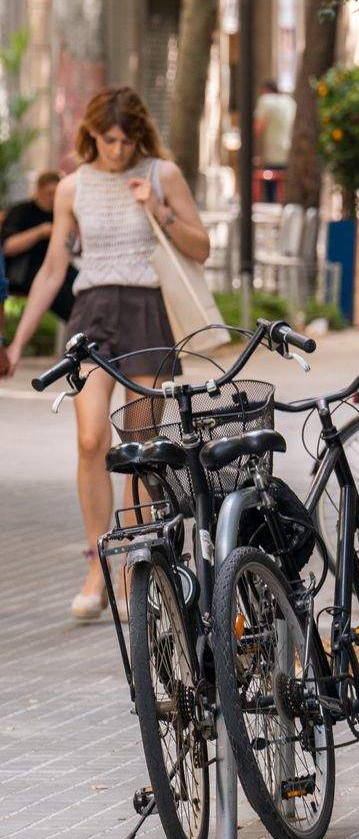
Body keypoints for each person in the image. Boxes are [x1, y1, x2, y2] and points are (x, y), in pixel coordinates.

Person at [4, 86, 211, 621]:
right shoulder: (72, 187)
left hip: (146, 312)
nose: (118, 151)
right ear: (91, 134)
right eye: (108, 139)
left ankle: (132, 566)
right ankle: (98, 561)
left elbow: (201, 246)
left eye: (126, 140)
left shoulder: (162, 174)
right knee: (91, 437)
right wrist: (18, 342)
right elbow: (54, 268)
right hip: (92, 313)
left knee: (138, 448)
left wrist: (160, 210)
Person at [3, 170, 75, 334]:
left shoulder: (60, 214)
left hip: (58, 267)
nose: (52, 198)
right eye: (49, 193)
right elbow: (8, 247)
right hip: (23, 273)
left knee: (79, 284)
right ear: (39, 189)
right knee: (60, 294)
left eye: (56, 194)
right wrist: (40, 232)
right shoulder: (22, 211)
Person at [251, 79, 295, 203]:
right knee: (284, 184)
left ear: (265, 91)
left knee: (271, 187)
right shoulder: (290, 102)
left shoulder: (265, 101)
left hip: (273, 152)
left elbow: (258, 128)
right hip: (289, 151)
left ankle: (272, 205)